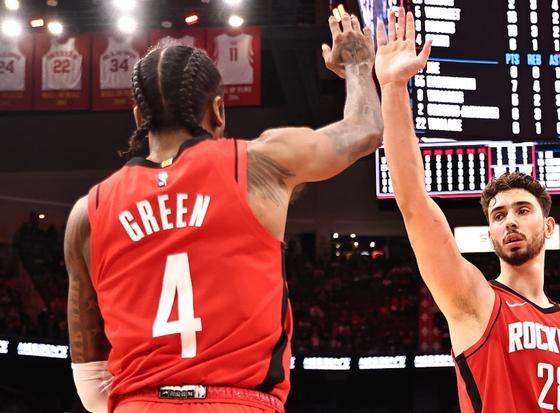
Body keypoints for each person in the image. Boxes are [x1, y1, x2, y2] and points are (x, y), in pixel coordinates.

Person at [65, 13, 382, 413]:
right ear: (218, 111)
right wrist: (357, 65)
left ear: (138, 119)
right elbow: (365, 130)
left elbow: (92, 390)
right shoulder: (259, 165)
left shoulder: (87, 215)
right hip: (241, 402)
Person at [374, 8, 560, 412]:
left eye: (522, 210)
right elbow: (413, 201)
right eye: (498, 215)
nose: (509, 220)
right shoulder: (476, 299)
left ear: (549, 226)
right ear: (490, 234)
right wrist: (392, 88)